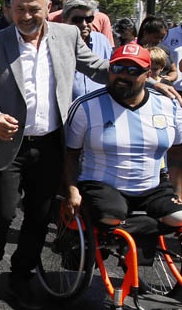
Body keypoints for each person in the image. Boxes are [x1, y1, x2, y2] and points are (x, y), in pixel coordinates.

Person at [0, 0, 110, 310]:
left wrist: (140, 74)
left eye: (34, 8)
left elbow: (98, 67)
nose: (26, 15)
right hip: (7, 144)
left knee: (38, 216)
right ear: (10, 10)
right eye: (19, 8)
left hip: (50, 144)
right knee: (3, 212)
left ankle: (21, 274)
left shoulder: (67, 36)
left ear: (49, 8)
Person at [64, 43, 182, 234]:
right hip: (102, 185)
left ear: (148, 74)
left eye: (133, 70)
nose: (123, 76)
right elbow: (70, 153)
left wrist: (178, 193)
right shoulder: (86, 106)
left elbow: (177, 151)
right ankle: (132, 228)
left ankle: (132, 229)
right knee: (111, 215)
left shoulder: (169, 105)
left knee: (178, 218)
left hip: (151, 187)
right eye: (117, 68)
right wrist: (72, 189)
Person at [63, 0, 112, 99]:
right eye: (77, 20)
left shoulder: (102, 41)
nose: (84, 24)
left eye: (89, 19)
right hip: (68, 110)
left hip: (99, 108)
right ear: (65, 20)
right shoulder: (58, 43)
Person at [137, 15, 177, 85]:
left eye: (162, 38)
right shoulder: (136, 50)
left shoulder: (164, 49)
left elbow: (173, 71)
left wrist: (170, 78)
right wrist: (155, 83)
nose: (159, 41)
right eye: (156, 37)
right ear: (146, 33)